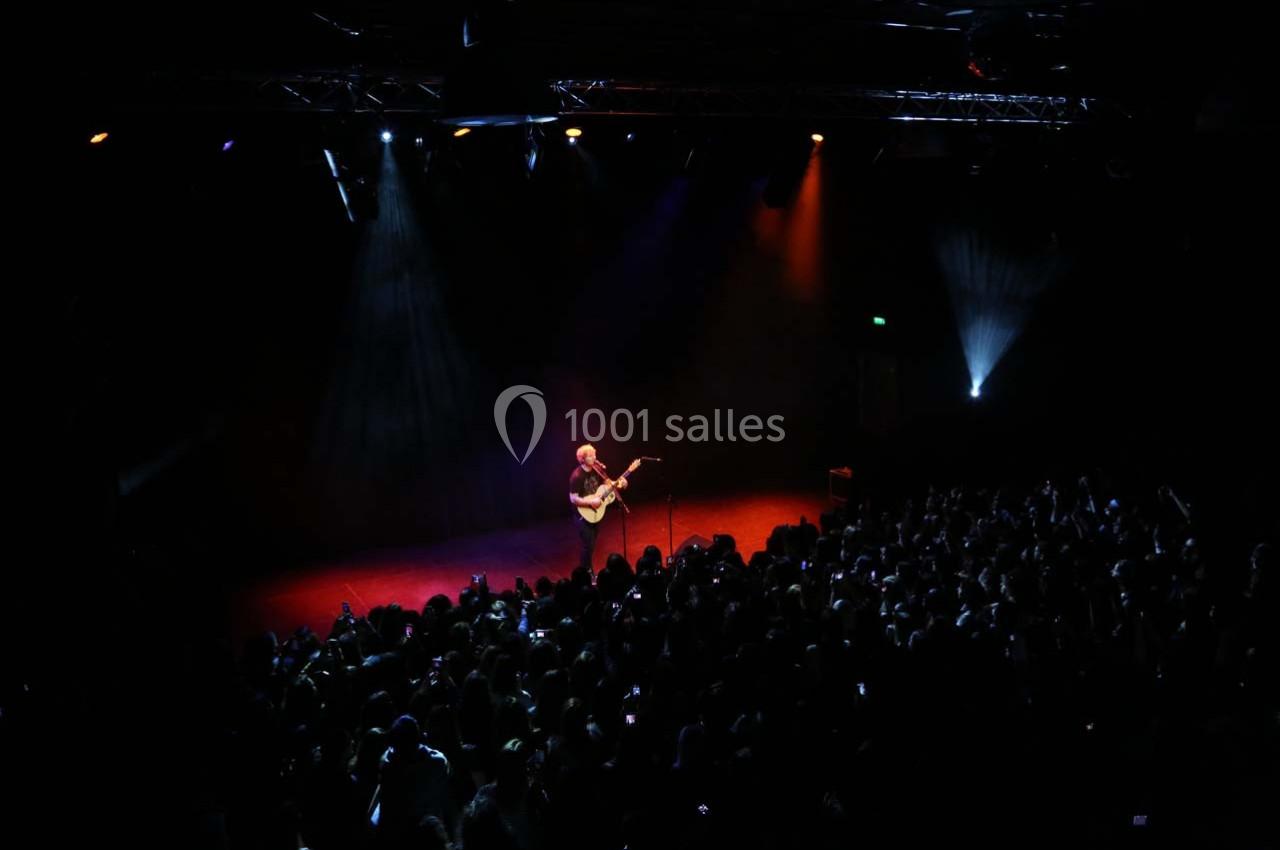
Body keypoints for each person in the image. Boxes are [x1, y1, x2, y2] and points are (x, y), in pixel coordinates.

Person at [568, 444, 626, 575]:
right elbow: (573, 498)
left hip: (595, 513)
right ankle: (586, 573)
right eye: (590, 456)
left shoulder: (597, 469)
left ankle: (587, 571)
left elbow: (607, 483)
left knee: (592, 544)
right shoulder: (577, 476)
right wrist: (591, 501)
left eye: (594, 454)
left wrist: (618, 483)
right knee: (587, 545)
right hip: (581, 515)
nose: (594, 457)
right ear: (582, 459)